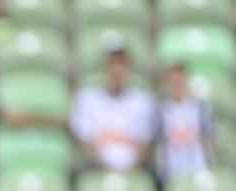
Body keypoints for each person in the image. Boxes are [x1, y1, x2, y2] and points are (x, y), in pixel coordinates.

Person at [71, 44, 156, 172]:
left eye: (122, 65)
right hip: (95, 170)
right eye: (113, 64)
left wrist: (130, 170)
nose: (117, 70)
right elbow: (84, 142)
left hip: (135, 171)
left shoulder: (144, 101)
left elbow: (145, 145)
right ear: (105, 68)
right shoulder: (86, 99)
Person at [155, 61, 214, 181]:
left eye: (180, 81)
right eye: (173, 82)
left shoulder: (200, 109)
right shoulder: (160, 111)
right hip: (171, 171)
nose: (177, 85)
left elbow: (208, 139)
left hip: (198, 168)